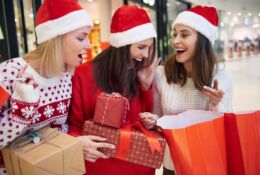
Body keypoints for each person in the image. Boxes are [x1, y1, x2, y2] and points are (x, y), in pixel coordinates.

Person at [0, 0, 111, 174]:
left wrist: (75, 144)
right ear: (56, 39)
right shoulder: (8, 73)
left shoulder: (65, 76)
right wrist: (22, 112)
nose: (88, 45)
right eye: (81, 37)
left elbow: (59, 130)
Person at [140, 6, 233, 175]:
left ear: (203, 39)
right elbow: (157, 119)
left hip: (205, 163)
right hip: (172, 163)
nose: (175, 41)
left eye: (184, 34)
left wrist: (216, 105)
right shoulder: (162, 74)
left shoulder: (220, 78)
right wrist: (151, 119)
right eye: (174, 34)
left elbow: (225, 130)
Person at [68, 5, 160, 175]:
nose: (147, 55)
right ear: (122, 45)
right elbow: (74, 125)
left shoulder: (140, 72)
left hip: (138, 163)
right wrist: (77, 144)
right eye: (141, 47)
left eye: (149, 48)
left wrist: (145, 88)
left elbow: (146, 123)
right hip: (100, 165)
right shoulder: (83, 74)